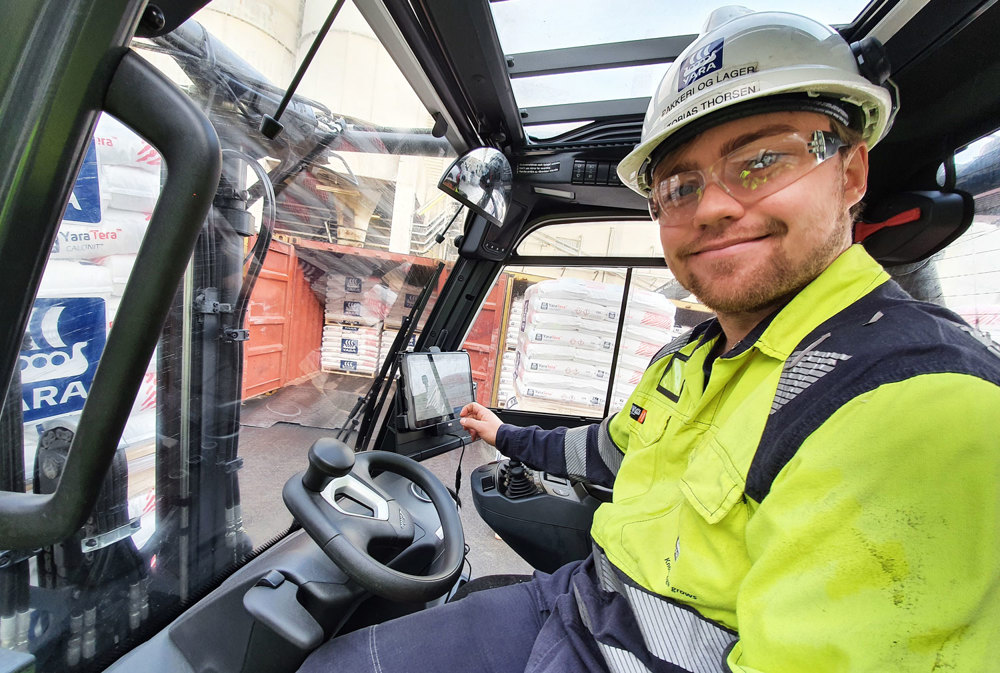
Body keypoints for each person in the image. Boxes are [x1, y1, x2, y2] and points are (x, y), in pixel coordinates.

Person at [300, 6, 1000, 672]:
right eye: (680, 185)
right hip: (579, 607)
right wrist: (502, 431)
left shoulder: (911, 401)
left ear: (850, 173)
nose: (717, 206)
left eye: (761, 161)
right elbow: (604, 449)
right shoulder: (688, 362)